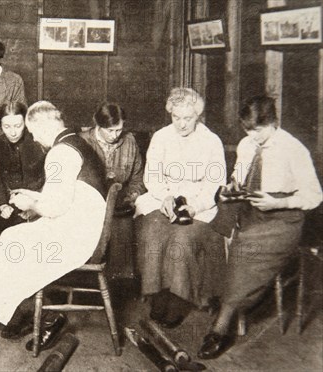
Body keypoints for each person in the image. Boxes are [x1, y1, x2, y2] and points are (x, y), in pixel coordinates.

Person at [198, 96, 322, 359]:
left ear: (273, 123)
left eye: (257, 130)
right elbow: (239, 175)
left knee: (244, 247)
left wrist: (281, 201)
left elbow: (314, 195)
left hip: (283, 219)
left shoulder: (294, 149)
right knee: (211, 234)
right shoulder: (247, 144)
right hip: (250, 209)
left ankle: (221, 327)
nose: (252, 136)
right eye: (247, 130)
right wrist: (231, 187)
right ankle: (221, 296)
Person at [0, 101, 107, 351]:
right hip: (86, 225)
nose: (35, 139)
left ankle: (46, 317)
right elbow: (68, 195)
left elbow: (54, 208)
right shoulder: (78, 141)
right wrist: (33, 196)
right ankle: (23, 311)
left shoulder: (59, 152)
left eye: (34, 132)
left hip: (78, 236)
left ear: (44, 125)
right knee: (13, 237)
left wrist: (30, 203)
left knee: (12, 241)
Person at [134, 87, 226, 329]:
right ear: (170, 114)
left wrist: (194, 207)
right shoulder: (161, 137)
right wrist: (165, 196)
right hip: (164, 199)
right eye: (176, 118)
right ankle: (157, 294)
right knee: (152, 232)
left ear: (198, 116)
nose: (182, 124)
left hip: (199, 205)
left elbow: (214, 185)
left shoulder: (211, 141)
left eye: (188, 118)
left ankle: (177, 298)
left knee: (181, 239)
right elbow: (151, 176)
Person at [80, 102, 145, 279]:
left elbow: (138, 178)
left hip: (119, 206)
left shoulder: (129, 141)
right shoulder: (83, 142)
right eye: (110, 130)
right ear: (98, 125)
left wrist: (132, 195)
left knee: (123, 227)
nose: (115, 135)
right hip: (89, 206)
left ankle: (119, 285)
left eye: (119, 130)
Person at [0, 102, 45, 238]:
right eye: (7, 127)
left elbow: (45, 180)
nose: (13, 132)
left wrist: (34, 206)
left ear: (26, 122)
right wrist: (1, 205)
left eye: (18, 126)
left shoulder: (37, 143)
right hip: (8, 201)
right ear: (0, 125)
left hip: (36, 200)